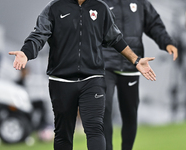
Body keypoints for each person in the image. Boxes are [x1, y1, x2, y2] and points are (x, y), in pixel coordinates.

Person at [9, 0, 156, 150]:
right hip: (61, 81)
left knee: (95, 129)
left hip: (93, 79)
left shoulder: (100, 8)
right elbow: (39, 35)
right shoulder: (54, 7)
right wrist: (25, 53)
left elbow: (115, 38)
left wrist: (135, 60)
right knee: (63, 134)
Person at [102, 0, 178, 150]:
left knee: (130, 113)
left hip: (132, 64)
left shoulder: (140, 3)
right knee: (103, 109)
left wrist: (166, 42)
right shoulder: (99, 3)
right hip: (104, 64)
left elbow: (154, 24)